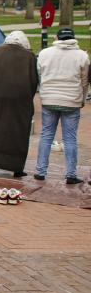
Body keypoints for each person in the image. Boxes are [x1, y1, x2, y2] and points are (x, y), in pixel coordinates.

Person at [34, 28, 89, 184]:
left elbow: (40, 75)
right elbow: (84, 82)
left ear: (56, 37)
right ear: (73, 38)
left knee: (46, 135)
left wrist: (43, 93)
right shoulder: (82, 56)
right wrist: (82, 99)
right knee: (70, 138)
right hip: (72, 101)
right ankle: (71, 174)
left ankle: (40, 171)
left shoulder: (45, 54)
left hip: (49, 100)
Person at [0, 31, 38, 177]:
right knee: (17, 133)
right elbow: (33, 82)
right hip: (19, 103)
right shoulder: (28, 56)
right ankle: (16, 167)